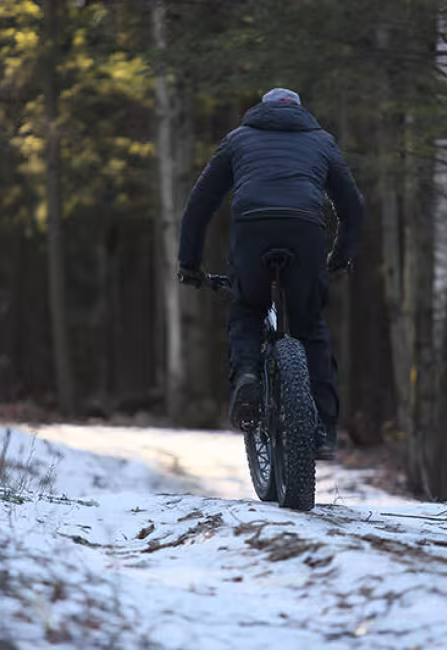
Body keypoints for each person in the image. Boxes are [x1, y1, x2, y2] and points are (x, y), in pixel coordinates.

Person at [176, 87, 364, 460]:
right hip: (306, 231)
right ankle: (324, 430)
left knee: (248, 307)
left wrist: (189, 264)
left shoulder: (238, 139)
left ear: (261, 110)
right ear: (300, 111)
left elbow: (200, 203)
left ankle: (247, 376)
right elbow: (352, 207)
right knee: (309, 326)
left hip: (253, 231)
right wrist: (340, 256)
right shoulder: (322, 142)